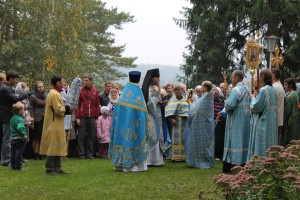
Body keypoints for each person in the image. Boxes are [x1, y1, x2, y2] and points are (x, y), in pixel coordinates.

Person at [109, 71, 148, 172]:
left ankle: (120, 165)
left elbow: (116, 114)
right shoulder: (139, 96)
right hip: (134, 126)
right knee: (132, 141)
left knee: (122, 141)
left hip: (121, 126)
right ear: (139, 79)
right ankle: (134, 166)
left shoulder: (123, 96)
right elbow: (143, 114)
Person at [39, 75, 70, 175]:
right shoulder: (54, 94)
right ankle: (49, 168)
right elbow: (58, 110)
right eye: (62, 81)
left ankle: (58, 168)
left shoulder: (56, 93)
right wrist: (67, 109)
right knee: (53, 146)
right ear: (58, 83)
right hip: (53, 123)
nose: (64, 83)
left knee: (58, 145)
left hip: (57, 123)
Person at [222, 70, 250, 173]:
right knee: (243, 141)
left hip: (235, 120)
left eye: (232, 76)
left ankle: (232, 165)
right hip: (245, 120)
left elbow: (230, 105)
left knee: (233, 141)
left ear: (237, 77)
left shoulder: (235, 90)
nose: (231, 78)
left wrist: (226, 102)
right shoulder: (247, 89)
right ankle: (243, 164)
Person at [247, 69, 278, 160]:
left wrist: (253, 98)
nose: (259, 79)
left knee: (261, 143)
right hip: (271, 121)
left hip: (263, 122)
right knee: (270, 142)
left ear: (263, 77)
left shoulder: (264, 90)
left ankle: (259, 164)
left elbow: (256, 107)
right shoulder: (273, 90)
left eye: (260, 77)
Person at [0, 70, 28, 167]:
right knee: (7, 139)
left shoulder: (7, 87)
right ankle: (5, 161)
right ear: (10, 79)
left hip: (9, 116)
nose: (16, 82)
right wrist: (25, 93)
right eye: (15, 79)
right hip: (6, 117)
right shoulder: (4, 88)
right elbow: (15, 99)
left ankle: (12, 159)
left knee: (10, 139)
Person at [186, 81, 214, 168]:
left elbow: (195, 109)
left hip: (201, 124)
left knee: (202, 143)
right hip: (206, 123)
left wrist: (190, 103)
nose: (201, 88)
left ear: (205, 88)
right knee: (206, 143)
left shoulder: (206, 97)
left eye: (202, 86)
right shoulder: (209, 96)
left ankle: (201, 162)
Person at [142, 68, 164, 166]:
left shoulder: (155, 87)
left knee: (157, 136)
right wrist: (157, 93)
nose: (159, 79)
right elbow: (150, 104)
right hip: (150, 116)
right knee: (151, 135)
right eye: (157, 77)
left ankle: (157, 160)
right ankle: (150, 160)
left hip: (157, 115)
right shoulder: (148, 89)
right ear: (153, 78)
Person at [75, 74, 100, 159]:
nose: (85, 82)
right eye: (84, 80)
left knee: (91, 136)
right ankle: (81, 154)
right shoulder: (80, 90)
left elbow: (97, 105)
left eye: (86, 80)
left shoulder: (95, 91)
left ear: (90, 81)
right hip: (82, 116)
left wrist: (96, 117)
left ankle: (89, 154)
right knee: (81, 136)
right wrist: (77, 117)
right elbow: (77, 104)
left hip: (92, 116)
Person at [165, 85, 189, 161]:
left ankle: (183, 156)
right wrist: (171, 119)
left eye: (180, 92)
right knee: (175, 139)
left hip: (184, 122)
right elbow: (168, 111)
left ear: (182, 91)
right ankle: (175, 156)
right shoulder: (172, 101)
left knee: (184, 138)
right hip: (175, 122)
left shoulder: (185, 100)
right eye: (177, 92)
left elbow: (189, 110)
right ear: (175, 92)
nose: (178, 93)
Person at [29, 81, 47, 160]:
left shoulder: (46, 95)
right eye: (39, 87)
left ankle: (41, 153)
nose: (41, 88)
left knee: (42, 137)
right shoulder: (33, 96)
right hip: (36, 118)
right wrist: (32, 121)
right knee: (36, 137)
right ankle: (35, 154)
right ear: (36, 88)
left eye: (42, 86)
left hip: (45, 118)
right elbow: (31, 109)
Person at [10, 102, 29, 170]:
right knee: (19, 152)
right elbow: (19, 128)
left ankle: (13, 166)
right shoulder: (20, 119)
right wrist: (24, 135)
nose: (23, 111)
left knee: (13, 152)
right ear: (20, 111)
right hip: (20, 138)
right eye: (23, 110)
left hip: (13, 138)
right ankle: (18, 167)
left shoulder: (12, 118)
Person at [282, 78, 300, 146]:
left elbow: (286, 111)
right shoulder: (295, 94)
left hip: (290, 121)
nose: (284, 86)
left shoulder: (290, 96)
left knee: (289, 141)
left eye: (286, 85)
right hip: (296, 119)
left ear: (291, 85)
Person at [271, 68, 285, 144]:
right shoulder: (278, 85)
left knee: (274, 141)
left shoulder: (275, 87)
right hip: (277, 117)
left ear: (273, 76)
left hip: (274, 118)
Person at [213, 86, 226, 160]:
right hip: (211, 121)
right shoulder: (210, 101)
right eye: (214, 92)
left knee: (218, 139)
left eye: (216, 92)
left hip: (219, 123)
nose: (215, 93)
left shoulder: (221, 101)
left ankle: (218, 154)